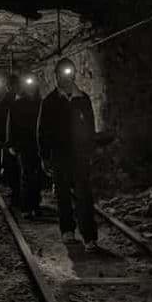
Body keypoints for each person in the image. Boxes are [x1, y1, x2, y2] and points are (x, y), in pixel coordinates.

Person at [38, 57, 98, 252]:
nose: (64, 78)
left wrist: (90, 151)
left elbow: (90, 127)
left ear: (73, 75)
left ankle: (89, 236)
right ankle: (67, 230)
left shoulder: (83, 99)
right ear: (56, 76)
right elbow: (43, 131)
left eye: (67, 73)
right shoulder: (49, 102)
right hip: (59, 155)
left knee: (84, 195)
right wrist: (45, 156)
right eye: (61, 74)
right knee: (63, 194)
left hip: (79, 155)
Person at [7, 72, 43, 219]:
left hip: (39, 145)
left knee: (37, 175)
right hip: (24, 144)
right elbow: (11, 124)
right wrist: (11, 143)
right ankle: (27, 206)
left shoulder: (41, 103)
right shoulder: (17, 104)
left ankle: (35, 204)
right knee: (26, 175)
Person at [0, 74, 21, 205]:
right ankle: (16, 193)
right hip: (11, 139)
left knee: (13, 166)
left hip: (12, 139)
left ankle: (16, 193)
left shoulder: (4, 102)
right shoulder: (7, 102)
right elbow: (0, 121)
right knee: (13, 166)